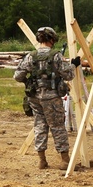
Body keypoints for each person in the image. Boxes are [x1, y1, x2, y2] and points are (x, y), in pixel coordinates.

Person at [13, 26, 80, 169]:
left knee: (40, 127)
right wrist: (73, 65)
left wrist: (30, 81)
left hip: (35, 98)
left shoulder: (31, 56)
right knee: (57, 127)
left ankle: (42, 160)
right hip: (51, 98)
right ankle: (64, 160)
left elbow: (18, 76)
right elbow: (68, 75)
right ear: (52, 39)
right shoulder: (56, 56)